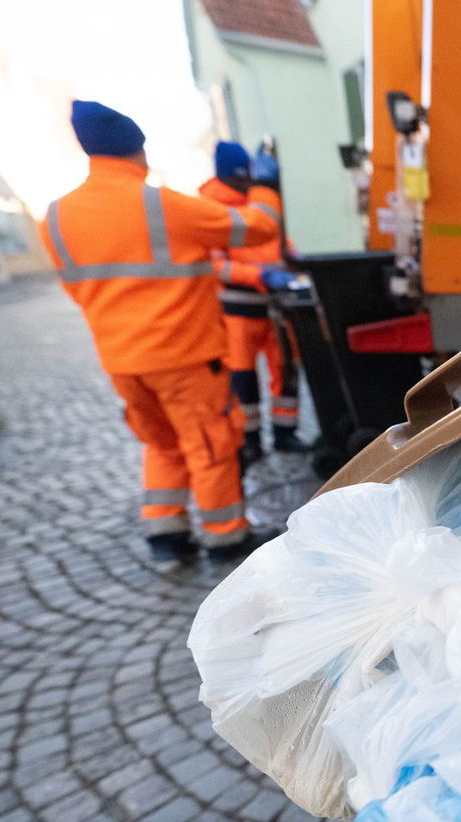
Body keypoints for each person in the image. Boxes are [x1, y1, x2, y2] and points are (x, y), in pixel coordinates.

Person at [40, 100, 283, 567]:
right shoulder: (161, 205)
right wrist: (265, 186)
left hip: (122, 362)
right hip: (186, 357)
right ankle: (225, 535)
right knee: (210, 443)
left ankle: (166, 532)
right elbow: (258, 228)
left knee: (162, 443)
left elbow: (77, 290)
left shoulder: (55, 217)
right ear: (137, 149)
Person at [199, 142, 305, 465]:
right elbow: (215, 266)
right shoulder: (209, 209)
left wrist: (292, 260)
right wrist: (260, 275)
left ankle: (286, 434)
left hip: (275, 307)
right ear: (229, 176)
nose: (248, 184)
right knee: (242, 378)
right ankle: (251, 440)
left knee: (285, 371)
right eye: (242, 178)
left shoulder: (259, 204)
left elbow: (277, 238)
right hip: (236, 312)